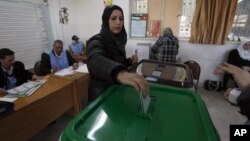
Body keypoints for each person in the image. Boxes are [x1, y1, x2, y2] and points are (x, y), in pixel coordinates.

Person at [87, 5, 149, 102]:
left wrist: (128, 61)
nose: (118, 22)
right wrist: (119, 73)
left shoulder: (119, 40)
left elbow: (115, 60)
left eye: (121, 19)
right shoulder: (96, 40)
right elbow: (95, 60)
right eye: (113, 18)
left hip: (115, 91)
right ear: (106, 20)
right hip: (100, 97)